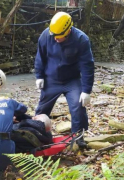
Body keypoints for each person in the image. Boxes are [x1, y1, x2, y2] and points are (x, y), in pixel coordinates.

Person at [34, 12, 94, 148]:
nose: (55, 39)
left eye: (59, 37)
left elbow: (87, 66)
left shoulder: (81, 40)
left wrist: (86, 90)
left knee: (78, 107)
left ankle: (78, 136)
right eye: (53, 35)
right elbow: (40, 57)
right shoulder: (46, 35)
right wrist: (39, 76)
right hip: (51, 79)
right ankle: (36, 134)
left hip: (72, 80)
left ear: (68, 31)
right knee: (42, 110)